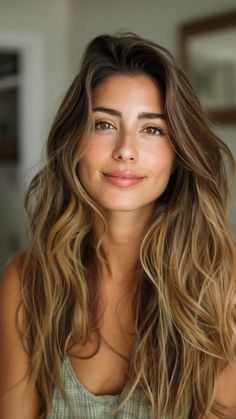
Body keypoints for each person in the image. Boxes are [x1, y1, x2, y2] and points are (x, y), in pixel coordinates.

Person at [0, 32, 235, 419]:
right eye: (104, 124)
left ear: (179, 156)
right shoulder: (26, 282)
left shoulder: (223, 277)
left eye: (152, 129)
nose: (126, 148)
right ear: (73, 140)